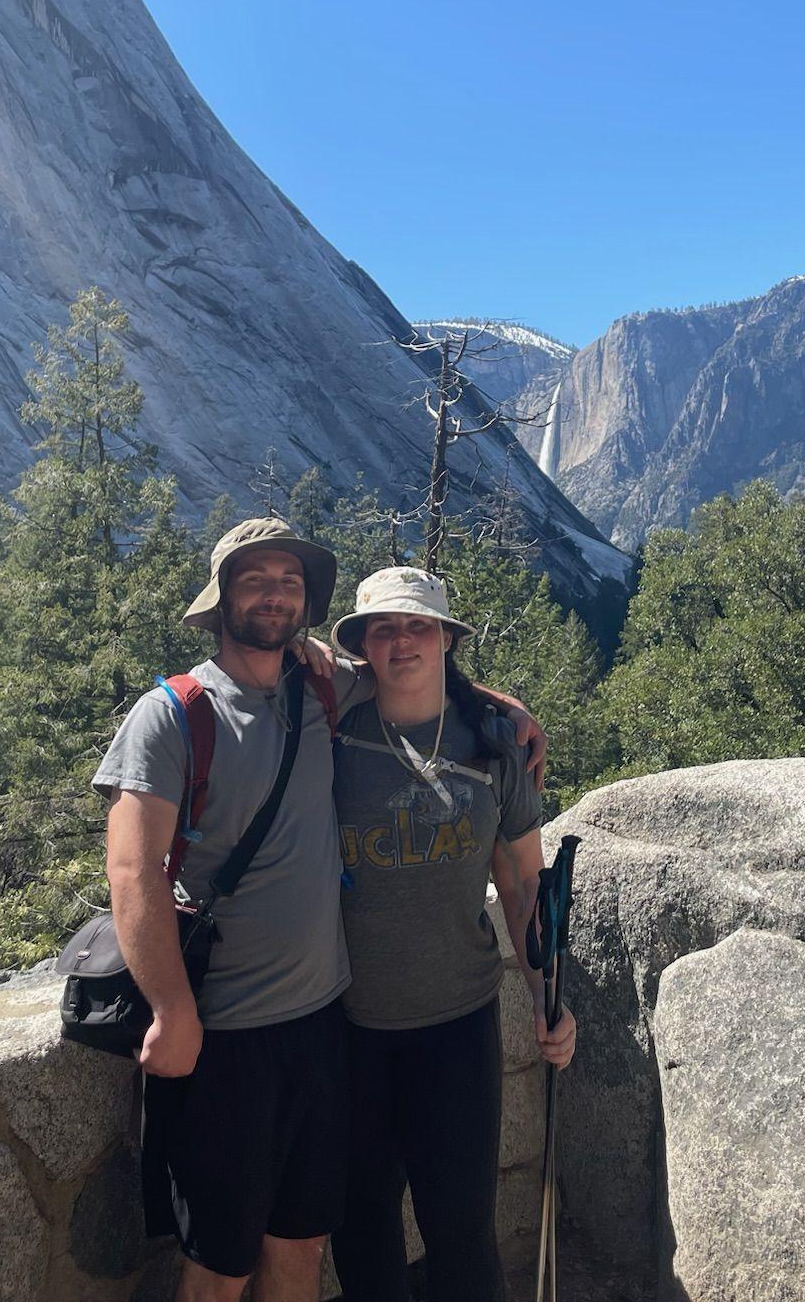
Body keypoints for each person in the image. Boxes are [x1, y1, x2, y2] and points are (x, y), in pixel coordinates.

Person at [94, 519, 545, 1302]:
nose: (273, 595)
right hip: (235, 1031)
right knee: (228, 1262)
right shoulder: (179, 714)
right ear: (220, 599)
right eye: (255, 580)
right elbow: (131, 870)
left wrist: (506, 709)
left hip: (330, 1029)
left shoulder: (322, 692)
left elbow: (420, 675)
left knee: (304, 1245)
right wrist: (171, 1009)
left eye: (289, 582)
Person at [326, 566, 578, 1302]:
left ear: (445, 639)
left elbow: (524, 885)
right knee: (362, 1229)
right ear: (361, 645)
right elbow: (264, 663)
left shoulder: (494, 747)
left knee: (462, 1231)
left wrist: (545, 994)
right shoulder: (327, 737)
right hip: (348, 1025)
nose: (402, 641)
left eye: (419, 626)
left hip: (457, 1027)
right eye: (385, 628)